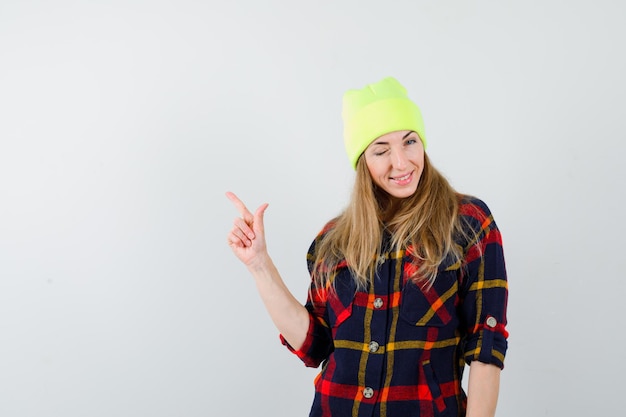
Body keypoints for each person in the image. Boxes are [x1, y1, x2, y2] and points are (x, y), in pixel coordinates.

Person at [226, 76, 508, 417]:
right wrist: (259, 264)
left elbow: (485, 345)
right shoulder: (334, 240)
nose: (401, 162)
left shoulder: (468, 223)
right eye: (381, 150)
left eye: (409, 142)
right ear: (363, 161)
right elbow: (314, 345)